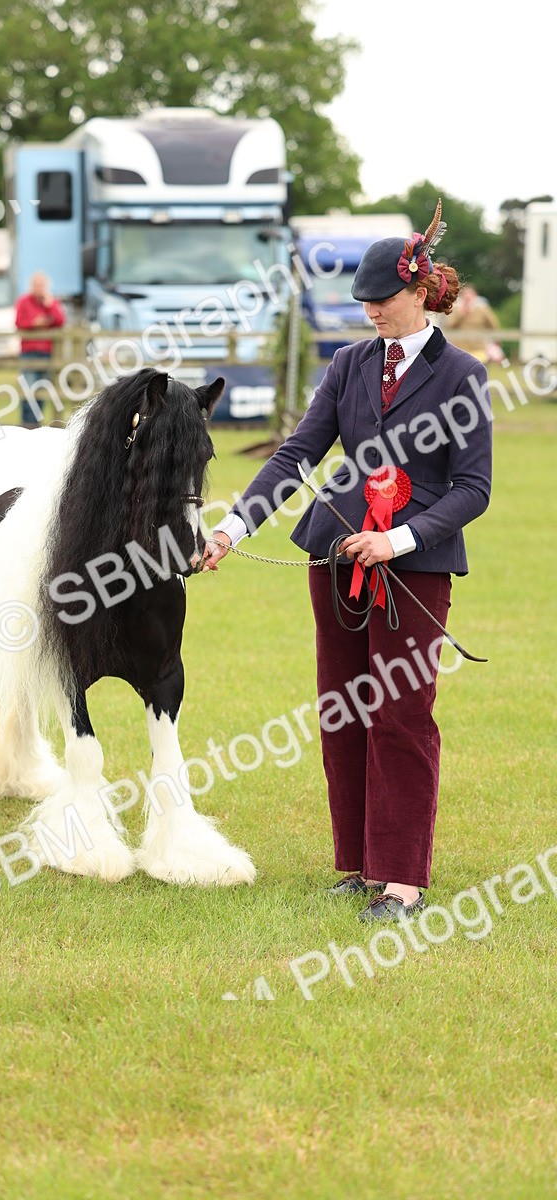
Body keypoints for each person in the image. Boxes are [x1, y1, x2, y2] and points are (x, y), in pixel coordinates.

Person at [202, 200, 493, 923]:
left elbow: (473, 489)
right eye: (363, 301)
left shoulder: (463, 375)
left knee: (401, 714)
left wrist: (399, 540)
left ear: (420, 291)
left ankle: (403, 881)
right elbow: (296, 455)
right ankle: (362, 866)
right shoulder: (349, 364)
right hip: (333, 553)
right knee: (344, 711)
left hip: (412, 567)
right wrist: (232, 527)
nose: (370, 312)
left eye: (382, 299)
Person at [14, 272, 65, 425]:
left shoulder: (51, 302)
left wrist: (50, 306)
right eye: (37, 285)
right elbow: (19, 323)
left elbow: (60, 321)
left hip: (46, 352)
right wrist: (34, 323)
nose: (39, 288)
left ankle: (36, 423)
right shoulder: (23, 301)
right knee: (28, 389)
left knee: (42, 389)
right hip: (29, 352)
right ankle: (27, 424)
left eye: (42, 285)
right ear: (31, 286)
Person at [445, 284, 506, 364]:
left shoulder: (483, 310)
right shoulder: (455, 310)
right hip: (459, 349)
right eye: (465, 296)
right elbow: (449, 326)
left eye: (470, 296)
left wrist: (497, 342)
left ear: (475, 296)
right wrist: (462, 314)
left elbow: (494, 325)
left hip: (479, 349)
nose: (467, 299)